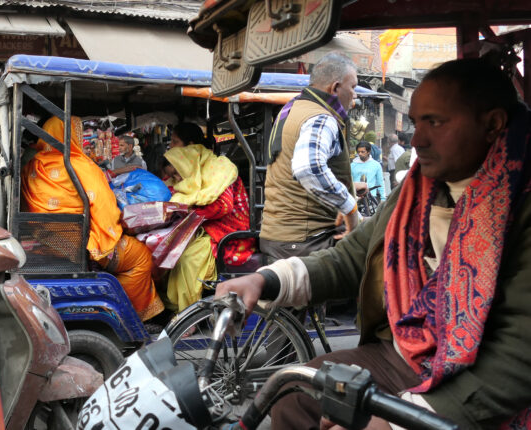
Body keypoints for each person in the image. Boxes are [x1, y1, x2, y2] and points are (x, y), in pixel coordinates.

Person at [216, 58, 531, 429]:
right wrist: (264, 280)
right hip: (406, 354)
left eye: (436, 122)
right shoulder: (414, 192)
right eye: (416, 123)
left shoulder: (521, 204)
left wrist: (403, 421)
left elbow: (520, 352)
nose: (417, 140)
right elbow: (350, 259)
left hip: (477, 377)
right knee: (293, 396)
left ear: (492, 125)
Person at [21, 116, 164, 322]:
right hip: (80, 245)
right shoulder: (78, 164)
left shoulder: (32, 166)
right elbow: (106, 208)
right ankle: (133, 317)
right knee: (141, 256)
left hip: (49, 241)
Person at [259, 52, 359, 260]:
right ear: (335, 88)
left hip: (278, 237)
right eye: (353, 87)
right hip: (307, 241)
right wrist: (349, 206)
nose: (355, 96)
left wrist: (347, 192)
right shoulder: (321, 118)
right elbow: (308, 168)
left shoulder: (293, 108)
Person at [163, 144, 255, 311]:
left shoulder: (219, 171)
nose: (177, 178)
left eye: (177, 172)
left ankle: (187, 313)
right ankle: (178, 309)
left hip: (231, 233)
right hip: (209, 229)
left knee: (188, 261)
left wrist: (191, 211)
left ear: (187, 164)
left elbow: (223, 206)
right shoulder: (194, 175)